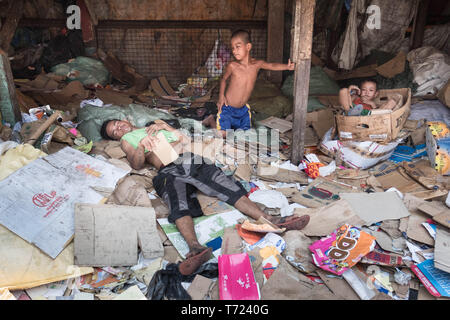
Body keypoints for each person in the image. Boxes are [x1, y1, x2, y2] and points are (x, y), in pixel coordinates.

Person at [100, 118, 310, 275]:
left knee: (228, 187)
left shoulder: (154, 126)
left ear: (126, 120)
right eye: (114, 131)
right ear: (116, 137)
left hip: (189, 159)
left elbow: (185, 140)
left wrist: (167, 128)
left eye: (118, 124)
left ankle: (270, 220)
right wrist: (141, 146)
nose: (119, 128)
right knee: (177, 203)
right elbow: (136, 163)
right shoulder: (129, 140)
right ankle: (195, 248)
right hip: (167, 169)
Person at [205, 29, 295, 136]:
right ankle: (211, 120)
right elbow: (223, 79)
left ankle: (230, 123)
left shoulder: (257, 64)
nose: (234, 51)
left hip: (243, 110)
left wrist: (287, 67)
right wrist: (221, 97)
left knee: (245, 136)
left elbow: (272, 66)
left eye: (238, 47)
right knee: (223, 135)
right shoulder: (233, 66)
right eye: (233, 48)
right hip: (228, 108)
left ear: (248, 47)